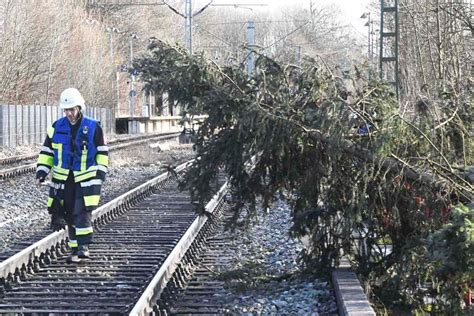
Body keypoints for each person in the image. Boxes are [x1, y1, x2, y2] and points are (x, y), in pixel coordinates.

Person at [36, 88, 109, 263]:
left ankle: (83, 248)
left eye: (72, 109)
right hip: (63, 179)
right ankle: (75, 249)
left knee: (82, 212)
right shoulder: (56, 127)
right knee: (67, 214)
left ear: (79, 107)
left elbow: (102, 150)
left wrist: (101, 170)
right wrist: (42, 171)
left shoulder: (93, 126)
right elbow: (47, 151)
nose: (69, 113)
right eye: (66, 110)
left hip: (86, 178)